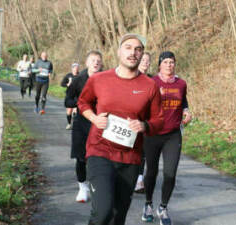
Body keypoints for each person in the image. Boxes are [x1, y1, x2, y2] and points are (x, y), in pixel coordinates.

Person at [77, 33, 164, 225]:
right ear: (118, 52)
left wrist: (144, 126)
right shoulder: (99, 79)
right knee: (103, 212)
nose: (133, 53)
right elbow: (83, 102)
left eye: (138, 49)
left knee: (118, 217)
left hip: (130, 159)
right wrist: (93, 118)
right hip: (99, 152)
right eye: (128, 48)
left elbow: (159, 120)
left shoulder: (150, 86)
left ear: (142, 55)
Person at [142, 51, 191, 225]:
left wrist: (186, 111)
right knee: (152, 172)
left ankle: (163, 208)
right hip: (153, 133)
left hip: (173, 135)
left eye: (172, 62)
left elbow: (183, 101)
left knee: (170, 174)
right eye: (166, 62)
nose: (169, 65)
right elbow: (142, 105)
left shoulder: (181, 83)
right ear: (159, 65)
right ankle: (148, 204)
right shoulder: (151, 82)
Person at [65, 51, 103, 203]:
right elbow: (67, 101)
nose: (95, 63)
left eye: (98, 61)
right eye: (92, 60)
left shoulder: (107, 79)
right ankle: (82, 188)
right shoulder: (78, 80)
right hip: (82, 122)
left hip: (101, 124)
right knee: (81, 158)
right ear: (86, 63)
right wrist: (82, 103)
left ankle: (98, 186)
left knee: (99, 158)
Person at [134, 52, 152, 193]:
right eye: (143, 60)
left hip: (146, 121)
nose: (146, 62)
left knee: (143, 151)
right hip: (131, 118)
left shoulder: (152, 80)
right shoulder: (132, 76)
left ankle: (139, 180)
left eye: (148, 60)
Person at [61, 63, 80, 130]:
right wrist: (67, 84)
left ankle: (75, 123)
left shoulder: (80, 76)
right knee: (69, 111)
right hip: (69, 95)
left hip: (77, 95)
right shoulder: (68, 76)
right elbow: (62, 84)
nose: (76, 69)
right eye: (74, 68)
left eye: (77, 68)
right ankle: (69, 124)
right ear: (72, 69)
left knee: (76, 111)